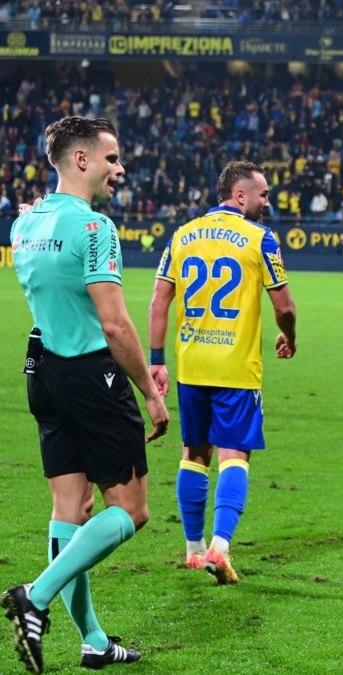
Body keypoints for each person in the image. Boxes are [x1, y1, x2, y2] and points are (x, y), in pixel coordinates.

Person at [4, 116, 169, 674]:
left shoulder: (25, 224)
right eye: (112, 158)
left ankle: (94, 640)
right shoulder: (94, 229)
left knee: (69, 511)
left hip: (42, 371)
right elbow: (117, 325)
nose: (120, 169)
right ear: (81, 160)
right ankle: (37, 595)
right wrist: (150, 389)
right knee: (132, 510)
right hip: (88, 374)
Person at [148, 160, 297, 585]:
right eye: (263, 194)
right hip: (236, 366)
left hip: (192, 363)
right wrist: (290, 336)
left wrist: (157, 358)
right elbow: (284, 306)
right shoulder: (260, 238)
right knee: (235, 453)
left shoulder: (182, 235)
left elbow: (160, 301)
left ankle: (193, 550)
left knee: (193, 453)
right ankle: (220, 546)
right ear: (239, 196)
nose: (267, 202)